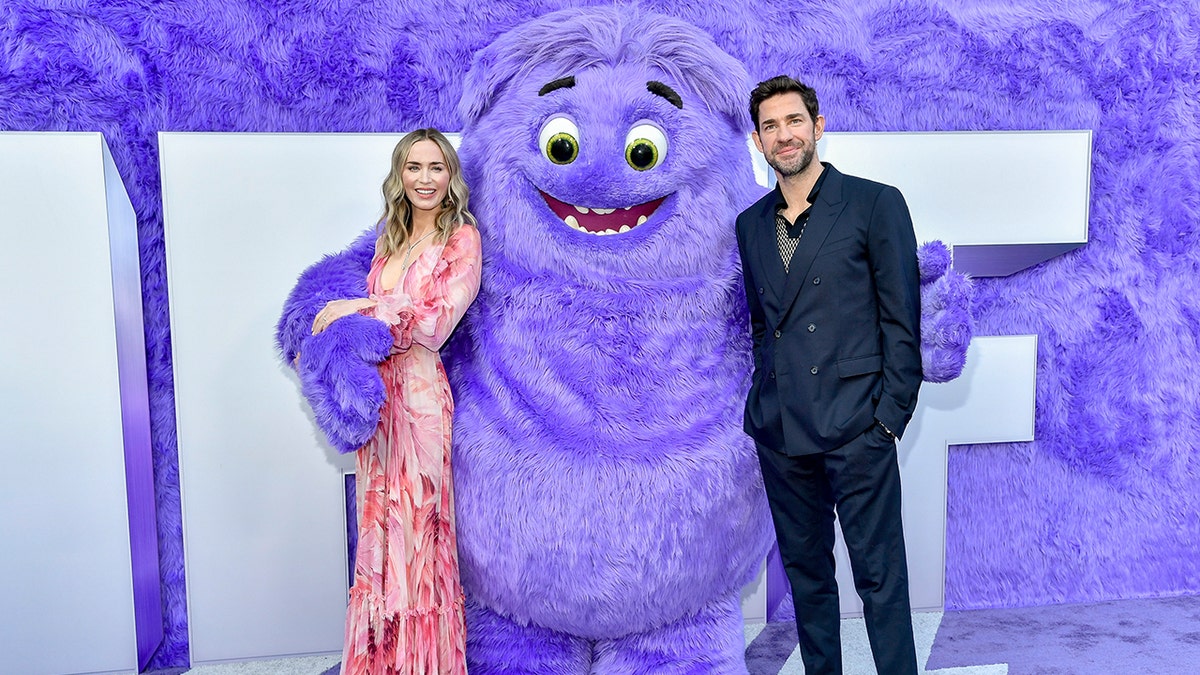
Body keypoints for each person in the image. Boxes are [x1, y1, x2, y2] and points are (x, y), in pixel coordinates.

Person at [735, 76, 923, 675]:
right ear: (759, 141)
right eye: (770, 126)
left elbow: (901, 320)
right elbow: (764, 325)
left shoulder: (875, 203)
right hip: (782, 433)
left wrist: (888, 420)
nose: (783, 135)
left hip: (857, 427)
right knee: (808, 583)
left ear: (818, 127)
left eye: (794, 121)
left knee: (880, 582)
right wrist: (764, 401)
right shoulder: (751, 224)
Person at [309, 128, 481, 675]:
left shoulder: (462, 240)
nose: (425, 179)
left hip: (423, 403)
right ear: (399, 176)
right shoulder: (390, 238)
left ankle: (426, 665)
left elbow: (431, 323)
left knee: (420, 536)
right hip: (380, 403)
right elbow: (382, 317)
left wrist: (353, 307)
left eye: (436, 167)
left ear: (451, 175)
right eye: (414, 167)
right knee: (380, 534)